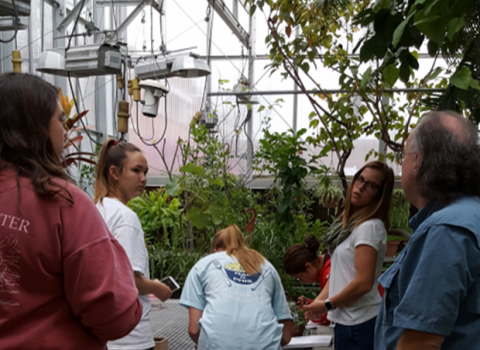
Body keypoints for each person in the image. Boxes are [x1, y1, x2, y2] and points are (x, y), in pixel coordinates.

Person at [0, 73, 142, 349]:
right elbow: (113, 313)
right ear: (35, 126)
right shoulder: (62, 203)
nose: (65, 131)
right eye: (60, 120)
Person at [375, 111, 480, 350]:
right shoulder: (472, 216)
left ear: (419, 160)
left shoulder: (445, 230)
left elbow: (420, 343)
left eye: (404, 156)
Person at [304, 161, 394, 350]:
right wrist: (318, 303)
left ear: (380, 195)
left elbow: (363, 283)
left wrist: (327, 305)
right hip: (346, 322)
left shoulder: (369, 227)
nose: (360, 187)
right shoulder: (349, 226)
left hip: (360, 323)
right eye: (360, 179)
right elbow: (339, 275)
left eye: (370, 185)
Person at [94, 139, 173, 350]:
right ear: (114, 172)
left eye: (145, 171)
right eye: (136, 170)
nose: (144, 178)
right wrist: (156, 286)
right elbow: (129, 279)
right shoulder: (125, 217)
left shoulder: (96, 209)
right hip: (130, 337)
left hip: (103, 333)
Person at [180, 224, 293, 350]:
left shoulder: (203, 266)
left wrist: (204, 344)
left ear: (215, 250)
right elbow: (286, 335)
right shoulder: (266, 266)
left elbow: (194, 330)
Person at [283, 235, 331, 326]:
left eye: (300, 277)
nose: (302, 282)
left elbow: (334, 311)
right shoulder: (325, 269)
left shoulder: (330, 269)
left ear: (308, 266)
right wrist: (310, 304)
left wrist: (314, 310)